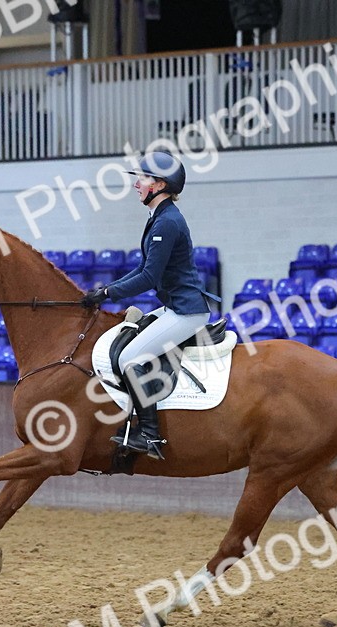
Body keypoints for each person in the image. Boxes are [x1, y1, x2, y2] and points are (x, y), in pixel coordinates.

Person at [81, 152, 218, 460]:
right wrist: (107, 289)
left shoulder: (167, 222)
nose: (136, 185)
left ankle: (150, 435)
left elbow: (148, 276)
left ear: (159, 184)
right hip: (175, 306)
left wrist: (107, 295)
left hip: (186, 311)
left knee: (130, 359)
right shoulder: (159, 217)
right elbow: (144, 266)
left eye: (141, 179)